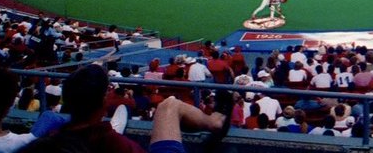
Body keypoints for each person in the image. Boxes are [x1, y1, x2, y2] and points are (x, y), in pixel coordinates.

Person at [26, 63, 229, 153]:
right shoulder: (114, 143)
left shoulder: (49, 139)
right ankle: (215, 122)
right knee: (169, 105)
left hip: (74, 129)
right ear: (104, 100)